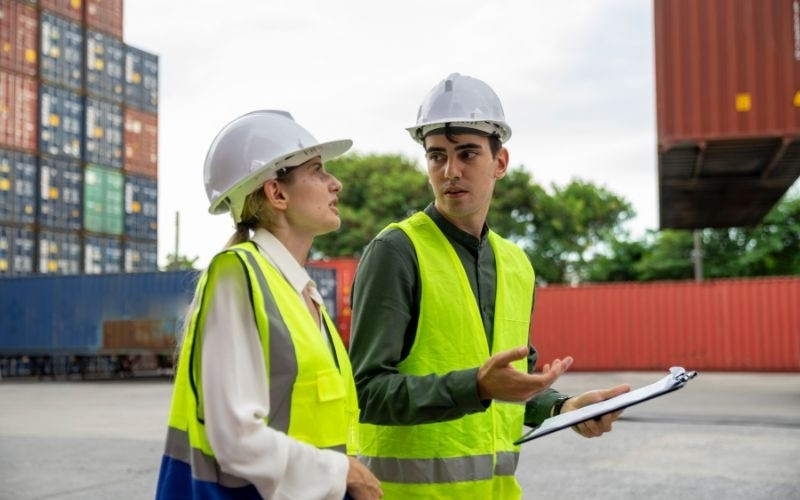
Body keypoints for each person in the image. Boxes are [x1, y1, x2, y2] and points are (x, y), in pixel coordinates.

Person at [348, 73, 631, 499]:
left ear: (500, 163)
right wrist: (476, 387)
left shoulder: (516, 264)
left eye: (467, 153)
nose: (450, 171)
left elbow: (512, 383)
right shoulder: (396, 251)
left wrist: (562, 407)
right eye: (436, 156)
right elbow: (365, 393)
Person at [155, 110, 382, 499]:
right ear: (277, 193)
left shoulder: (302, 292)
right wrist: (344, 473)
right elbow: (235, 437)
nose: (336, 183)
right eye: (317, 171)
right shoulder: (236, 274)